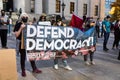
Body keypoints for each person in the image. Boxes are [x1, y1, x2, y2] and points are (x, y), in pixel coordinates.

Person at [14, 13, 42, 77]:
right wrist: (21, 28)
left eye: (26, 16)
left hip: (29, 43)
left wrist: (32, 26)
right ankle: (23, 70)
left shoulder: (29, 24)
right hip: (21, 43)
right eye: (23, 16)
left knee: (31, 55)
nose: (25, 17)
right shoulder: (18, 24)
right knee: (23, 57)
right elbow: (16, 35)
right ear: (21, 17)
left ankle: (34, 68)